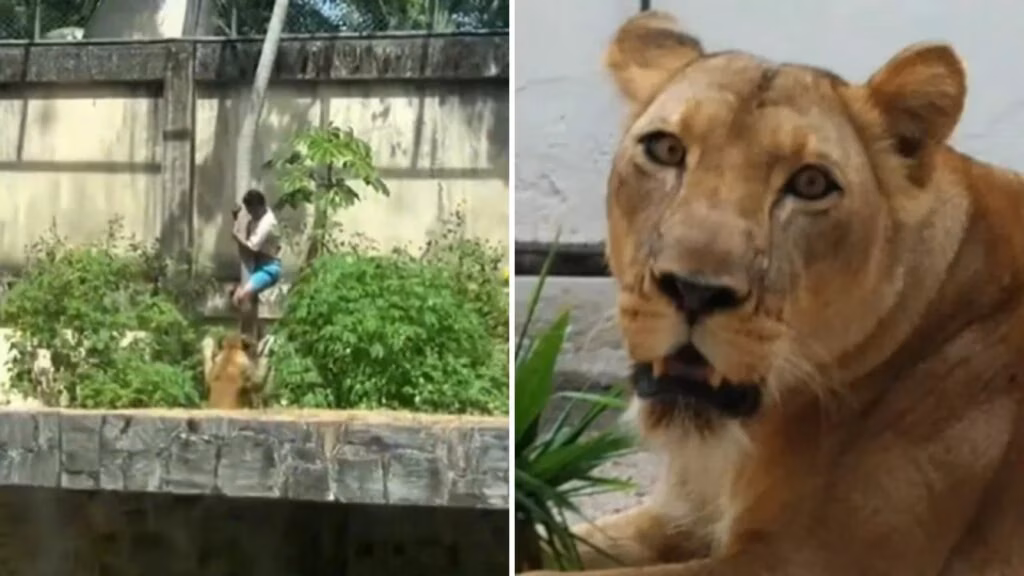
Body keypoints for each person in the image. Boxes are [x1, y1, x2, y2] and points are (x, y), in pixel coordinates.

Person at [231, 188, 282, 308]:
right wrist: (236, 219)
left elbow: (251, 248)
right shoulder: (258, 217)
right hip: (255, 265)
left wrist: (236, 236)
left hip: (268, 269)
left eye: (252, 212)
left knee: (243, 297)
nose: (251, 215)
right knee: (249, 302)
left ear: (259, 206)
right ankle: (253, 325)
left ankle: (250, 324)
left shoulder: (267, 223)